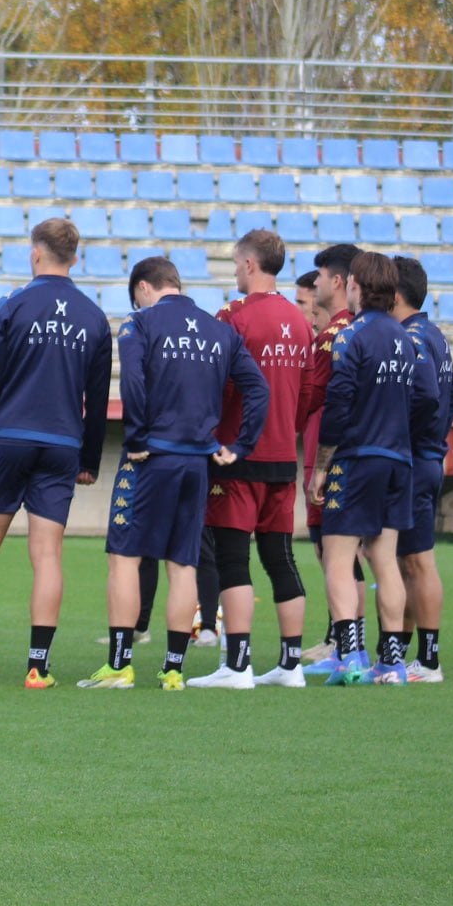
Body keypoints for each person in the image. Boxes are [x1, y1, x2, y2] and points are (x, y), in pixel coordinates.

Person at [82, 255, 266, 690]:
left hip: (153, 455)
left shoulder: (140, 323)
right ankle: (173, 670)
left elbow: (133, 382)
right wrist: (240, 446)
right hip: (197, 461)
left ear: (144, 288)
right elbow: (258, 388)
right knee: (183, 563)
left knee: (124, 556)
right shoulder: (221, 331)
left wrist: (140, 435)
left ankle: (120, 666)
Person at [0, 218, 111, 686]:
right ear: (74, 258)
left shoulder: (12, 306)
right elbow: (96, 399)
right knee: (48, 554)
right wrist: (89, 459)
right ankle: (38, 665)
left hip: (10, 439)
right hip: (62, 445)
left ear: (36, 253)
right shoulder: (94, 317)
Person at [193, 230, 317, 688]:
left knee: (232, 559)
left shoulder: (233, 316)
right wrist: (287, 428)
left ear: (248, 264)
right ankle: (290, 665)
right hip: (283, 455)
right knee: (280, 557)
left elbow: (221, 386)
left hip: (237, 456)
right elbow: (306, 393)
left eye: (234, 262)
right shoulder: (301, 321)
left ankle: (238, 664)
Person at [310, 251, 437, 685]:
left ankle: (349, 658)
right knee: (385, 558)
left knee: (338, 557)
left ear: (358, 287)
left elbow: (338, 405)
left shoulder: (351, 335)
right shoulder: (408, 338)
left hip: (357, 459)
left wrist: (321, 467)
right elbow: (428, 398)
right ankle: (393, 662)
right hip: (399, 461)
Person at [299, 243, 367, 670]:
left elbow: (310, 398)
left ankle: (346, 647)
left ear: (338, 281)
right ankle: (347, 645)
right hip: (346, 454)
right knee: (342, 554)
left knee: (337, 554)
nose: (317, 282)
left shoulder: (334, 336)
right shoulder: (358, 330)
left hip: (330, 457)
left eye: (320, 276)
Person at [391, 255, 453, 683]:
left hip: (416, 460)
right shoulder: (434, 334)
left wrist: (411, 437)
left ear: (394, 295)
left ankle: (430, 660)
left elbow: (431, 395)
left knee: (418, 561)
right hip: (428, 456)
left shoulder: (413, 337)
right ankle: (411, 653)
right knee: (406, 562)